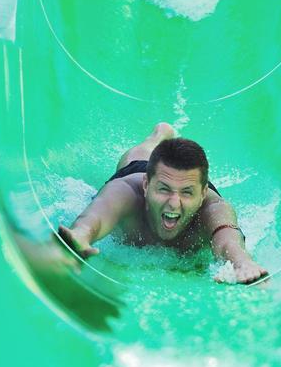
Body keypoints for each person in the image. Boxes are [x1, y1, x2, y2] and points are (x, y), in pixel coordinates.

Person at [58, 122, 268, 284]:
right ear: (146, 185)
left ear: (203, 193)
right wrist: (80, 236)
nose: (174, 204)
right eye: (164, 190)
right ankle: (160, 135)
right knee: (139, 153)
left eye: (186, 193)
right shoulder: (126, 192)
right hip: (139, 170)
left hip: (181, 180)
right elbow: (95, 216)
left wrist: (243, 264)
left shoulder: (214, 208)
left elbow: (228, 241)